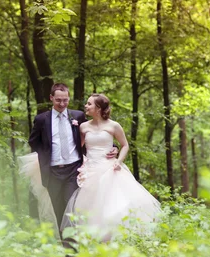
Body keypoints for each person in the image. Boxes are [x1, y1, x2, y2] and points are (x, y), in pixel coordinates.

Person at [61, 93, 160, 241]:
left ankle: (114, 241)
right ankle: (95, 242)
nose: (86, 106)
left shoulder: (113, 125)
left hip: (110, 168)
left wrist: (118, 161)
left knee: (113, 206)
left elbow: (125, 145)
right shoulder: (83, 126)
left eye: (89, 104)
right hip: (90, 170)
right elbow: (77, 148)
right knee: (89, 207)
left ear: (98, 107)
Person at [24, 83, 116, 240]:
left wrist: (112, 147)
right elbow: (33, 141)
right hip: (52, 171)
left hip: (73, 170)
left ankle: (74, 246)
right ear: (51, 98)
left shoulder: (78, 116)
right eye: (58, 100)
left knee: (72, 207)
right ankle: (65, 246)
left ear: (68, 99)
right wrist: (46, 155)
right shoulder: (41, 119)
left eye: (65, 100)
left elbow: (94, 133)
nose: (62, 104)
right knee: (58, 209)